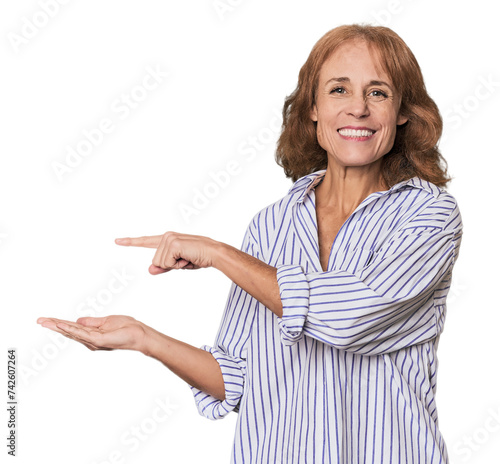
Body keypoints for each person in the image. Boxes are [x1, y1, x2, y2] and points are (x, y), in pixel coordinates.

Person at [38, 24, 463, 463]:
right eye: (339, 89)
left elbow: (348, 318)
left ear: (402, 112)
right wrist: (145, 339)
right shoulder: (271, 225)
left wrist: (220, 254)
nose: (357, 108)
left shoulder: (428, 216)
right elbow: (238, 376)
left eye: (377, 93)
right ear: (313, 107)